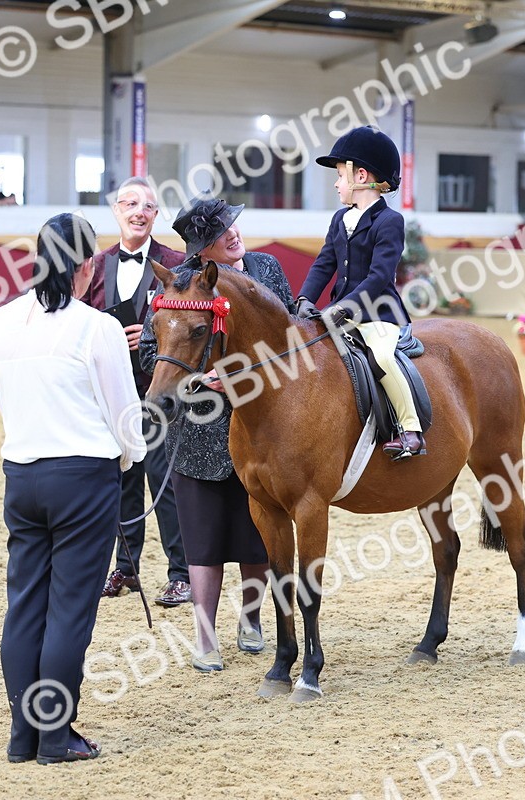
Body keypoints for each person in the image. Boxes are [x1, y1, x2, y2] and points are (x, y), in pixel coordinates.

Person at [0, 212, 145, 764]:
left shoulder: (1, 321)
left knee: (24, 608)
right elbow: (124, 414)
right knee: (70, 612)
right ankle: (55, 737)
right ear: (86, 266)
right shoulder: (97, 327)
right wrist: (131, 458)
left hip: (21, 474)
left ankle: (22, 735)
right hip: (82, 478)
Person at [139, 192, 294, 672]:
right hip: (200, 430)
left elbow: (292, 338)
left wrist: (247, 373)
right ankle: (205, 637)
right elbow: (151, 351)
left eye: (232, 225)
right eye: (219, 232)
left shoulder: (267, 269)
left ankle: (252, 619)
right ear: (200, 249)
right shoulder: (180, 283)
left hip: (263, 429)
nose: (233, 234)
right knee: (202, 540)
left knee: (257, 534)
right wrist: (199, 379)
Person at [84, 177, 191, 608]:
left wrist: (147, 334)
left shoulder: (177, 263)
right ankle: (126, 569)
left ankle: (181, 574)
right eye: (130, 204)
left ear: (156, 215)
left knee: (166, 485)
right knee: (122, 482)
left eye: (147, 205)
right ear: (116, 211)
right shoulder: (96, 265)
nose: (138, 212)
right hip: (114, 392)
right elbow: (82, 319)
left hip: (161, 392)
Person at [295, 125, 423, 460]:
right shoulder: (340, 218)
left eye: (340, 175)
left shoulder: (389, 221)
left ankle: (410, 430)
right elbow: (324, 263)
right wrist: (305, 299)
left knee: (381, 358)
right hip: (341, 313)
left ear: (361, 176)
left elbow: (380, 277)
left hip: (378, 314)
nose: (336, 183)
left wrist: (345, 308)